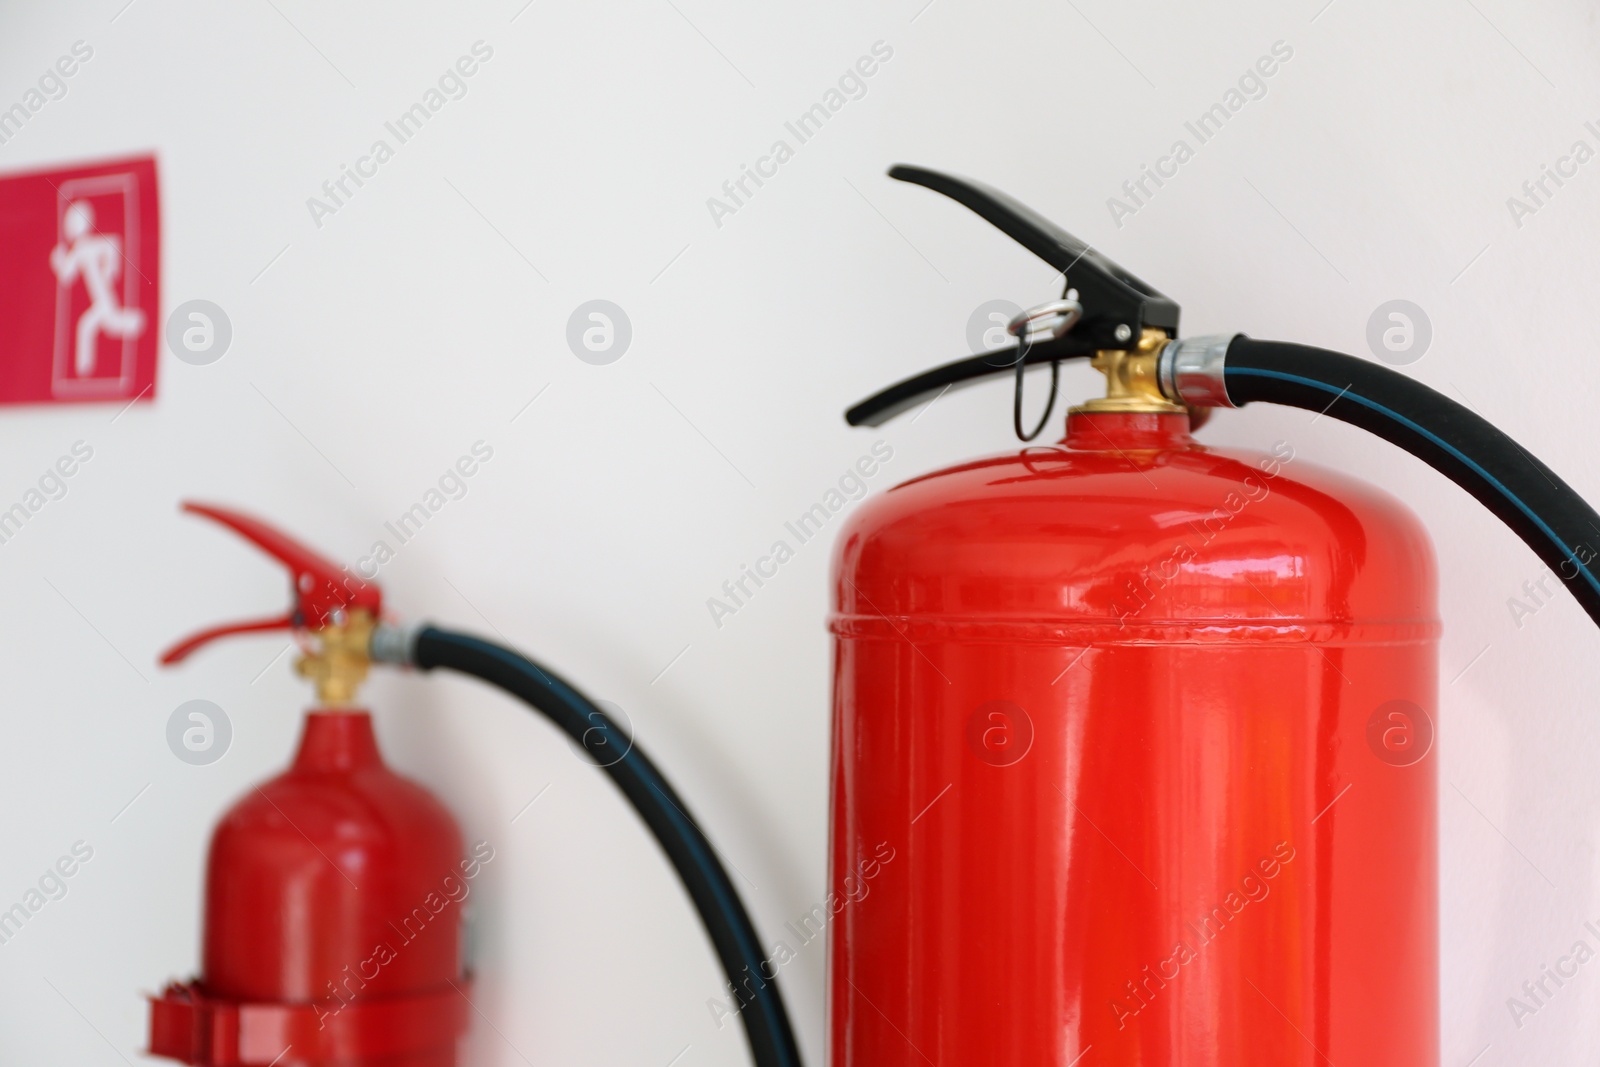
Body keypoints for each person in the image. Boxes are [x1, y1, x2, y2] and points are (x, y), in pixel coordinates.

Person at [50, 199, 145, 377]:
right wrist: (58, 262)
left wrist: (111, 267)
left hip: (103, 295)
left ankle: (84, 370)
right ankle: (137, 323)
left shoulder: (88, 247)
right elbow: (67, 276)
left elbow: (113, 243)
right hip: (99, 296)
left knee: (91, 326)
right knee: (104, 324)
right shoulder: (80, 250)